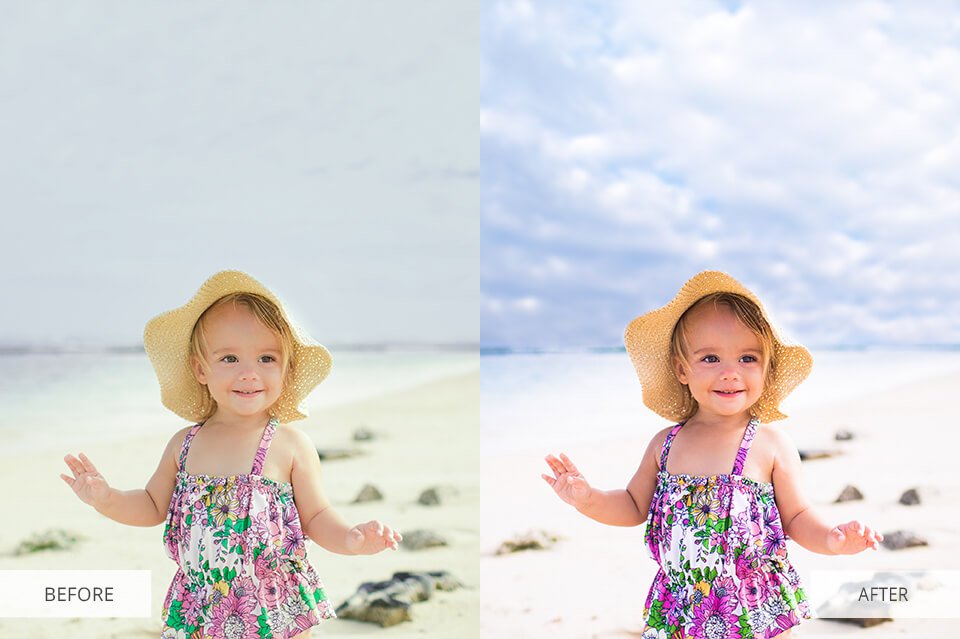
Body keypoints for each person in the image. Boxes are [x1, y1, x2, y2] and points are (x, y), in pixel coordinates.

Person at [61, 270, 402, 639]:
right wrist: (106, 499)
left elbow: (316, 517)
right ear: (200, 369)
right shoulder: (184, 444)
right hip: (200, 607)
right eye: (229, 359)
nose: (249, 373)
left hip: (272, 607)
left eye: (266, 359)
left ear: (286, 371)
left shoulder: (288, 445)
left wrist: (352, 539)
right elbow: (150, 505)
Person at [542, 271, 883, 638]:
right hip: (680, 608)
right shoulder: (665, 444)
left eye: (748, 358)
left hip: (752, 609)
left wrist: (833, 539)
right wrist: (588, 498)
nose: (730, 373)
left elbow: (797, 518)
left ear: (766, 371)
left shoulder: (769, 444)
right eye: (710, 359)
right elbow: (631, 506)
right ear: (681, 369)